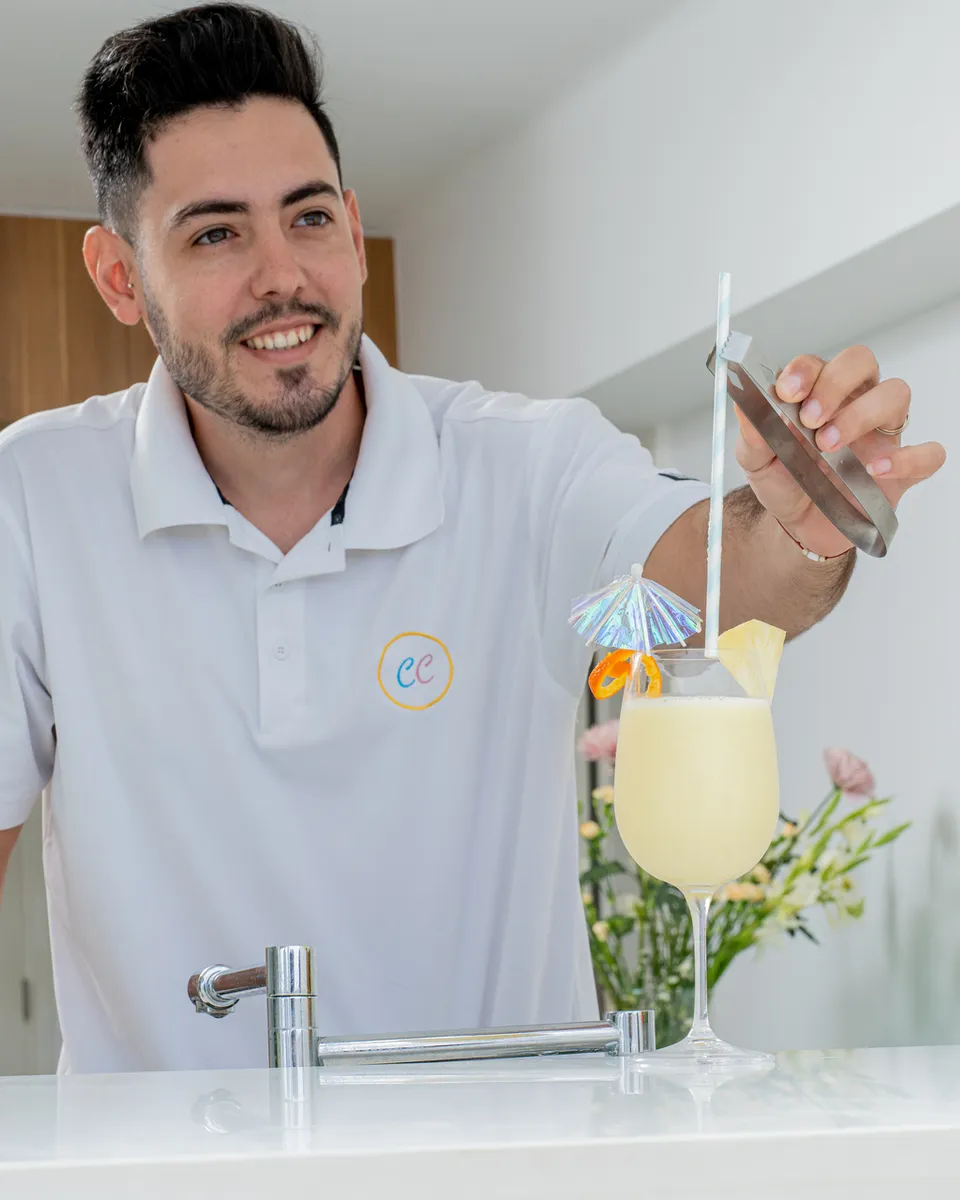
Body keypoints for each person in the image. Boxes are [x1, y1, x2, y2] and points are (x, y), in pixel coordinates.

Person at [0, 3, 945, 1075]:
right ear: (120, 276)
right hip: (159, 1157)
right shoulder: (32, 499)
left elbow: (707, 592)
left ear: (354, 230)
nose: (282, 275)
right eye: (216, 233)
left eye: (308, 218)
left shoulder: (530, 468)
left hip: (509, 1146)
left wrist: (800, 531)